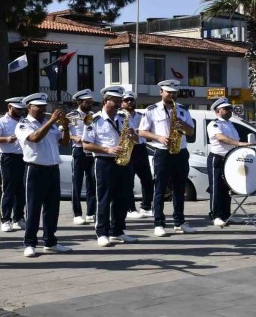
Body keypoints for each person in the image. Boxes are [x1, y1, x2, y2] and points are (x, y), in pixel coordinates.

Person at [15, 93, 73, 257]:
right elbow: (35, 138)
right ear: (29, 107)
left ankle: (50, 241)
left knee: (52, 208)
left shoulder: (51, 125)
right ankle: (30, 243)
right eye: (39, 107)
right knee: (33, 208)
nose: (43, 109)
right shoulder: (23, 124)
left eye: (44, 107)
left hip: (53, 169)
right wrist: (52, 121)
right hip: (35, 169)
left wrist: (66, 127)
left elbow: (64, 142)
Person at [138, 80, 198, 237]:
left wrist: (182, 124)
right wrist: (159, 137)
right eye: (168, 92)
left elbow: (191, 132)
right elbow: (142, 132)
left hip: (181, 151)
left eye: (174, 92)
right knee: (160, 188)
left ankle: (179, 222)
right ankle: (159, 223)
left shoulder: (183, 109)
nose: (172, 95)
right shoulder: (151, 110)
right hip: (163, 152)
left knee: (179, 189)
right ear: (161, 92)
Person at [83, 86, 140, 247]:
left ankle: (118, 231)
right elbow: (86, 145)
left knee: (122, 197)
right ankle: (102, 233)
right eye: (114, 101)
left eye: (119, 101)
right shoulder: (94, 119)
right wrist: (107, 149)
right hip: (104, 162)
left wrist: (133, 136)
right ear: (105, 101)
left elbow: (137, 140)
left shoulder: (123, 117)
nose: (118, 104)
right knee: (104, 198)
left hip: (123, 161)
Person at [206, 98, 252, 226]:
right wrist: (239, 143)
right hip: (217, 158)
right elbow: (221, 138)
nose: (230, 111)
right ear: (218, 111)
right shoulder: (214, 124)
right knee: (216, 188)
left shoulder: (230, 124)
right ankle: (215, 215)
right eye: (226, 109)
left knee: (227, 188)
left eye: (230, 108)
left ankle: (226, 215)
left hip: (230, 159)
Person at [0, 96, 28, 232]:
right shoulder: (0, 121)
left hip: (23, 157)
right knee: (8, 189)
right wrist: (6, 139)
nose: (20, 111)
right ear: (10, 107)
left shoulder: (24, 120)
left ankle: (18, 218)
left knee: (21, 189)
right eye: (18, 109)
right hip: (8, 157)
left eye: (22, 109)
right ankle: (5, 220)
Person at [120, 91, 154, 219]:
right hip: (128, 148)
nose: (129, 102)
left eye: (131, 100)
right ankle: (130, 209)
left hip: (141, 148)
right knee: (128, 181)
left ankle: (146, 207)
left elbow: (147, 131)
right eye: (126, 100)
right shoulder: (119, 116)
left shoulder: (141, 115)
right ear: (122, 103)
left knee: (147, 179)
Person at [68, 89, 96, 225]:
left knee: (92, 182)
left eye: (90, 102)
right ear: (79, 102)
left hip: (91, 150)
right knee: (77, 183)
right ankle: (77, 214)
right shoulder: (72, 115)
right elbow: (64, 133)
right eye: (87, 102)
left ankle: (91, 212)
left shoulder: (93, 115)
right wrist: (75, 137)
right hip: (79, 150)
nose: (90, 104)